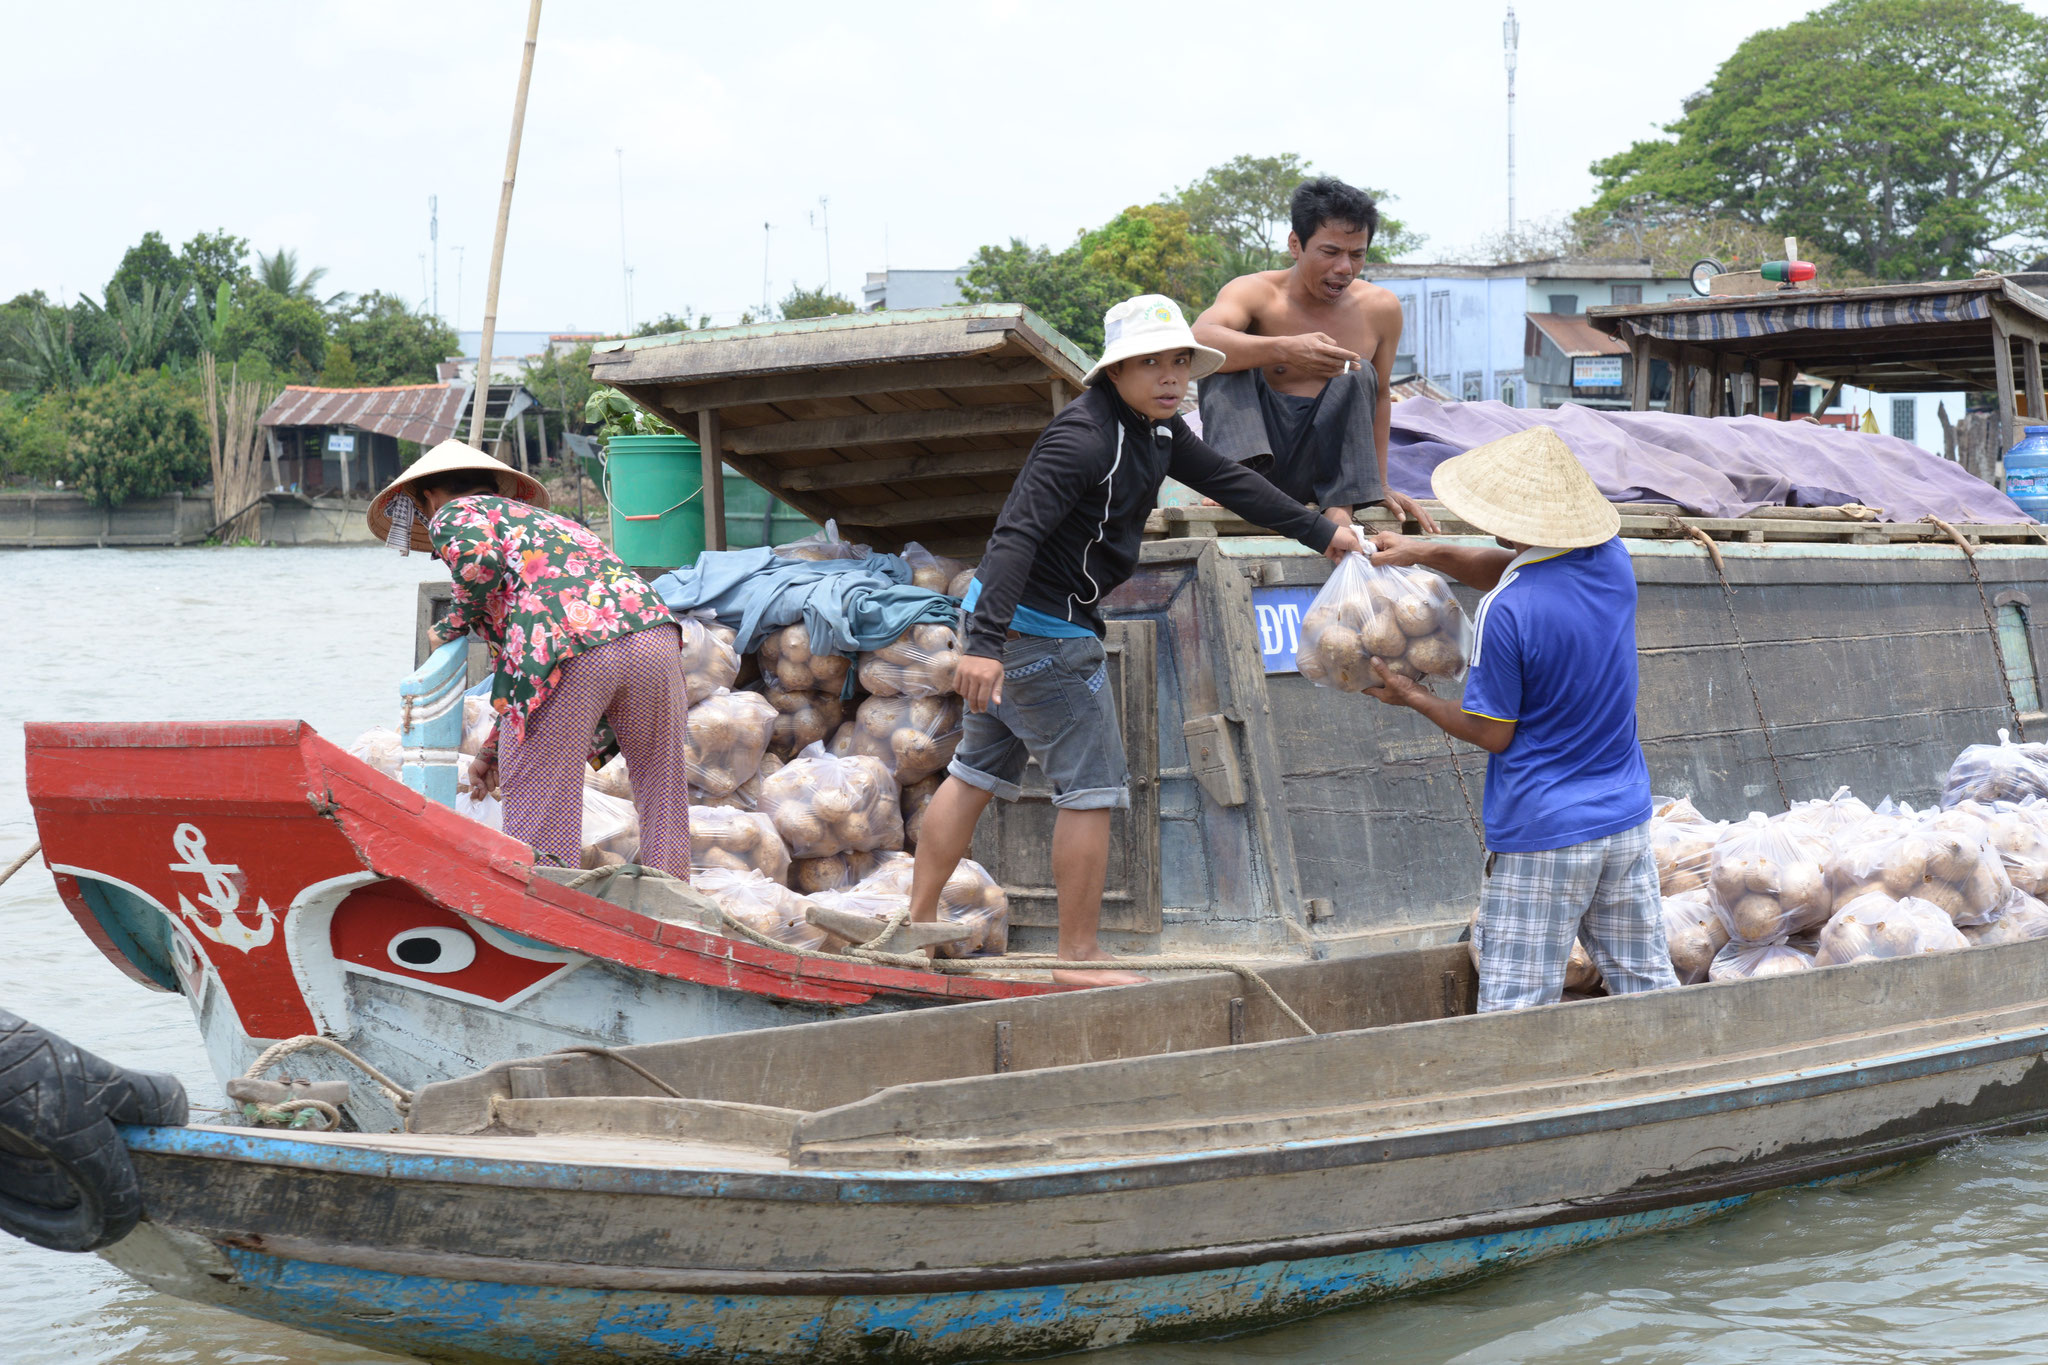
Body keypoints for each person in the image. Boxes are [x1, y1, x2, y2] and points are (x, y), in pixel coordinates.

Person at [907, 295, 1366, 985]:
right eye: (1149, 362)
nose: (1169, 375)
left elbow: (1230, 481)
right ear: (1115, 370)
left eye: (1180, 360)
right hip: (1039, 635)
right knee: (1091, 789)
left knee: (975, 773)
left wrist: (1322, 532)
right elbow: (1015, 533)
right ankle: (1078, 955)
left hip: (1013, 627)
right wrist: (986, 644)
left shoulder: (1156, 431)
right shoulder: (1085, 436)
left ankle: (915, 925)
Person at [1360, 425, 1678, 1011]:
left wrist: (1413, 697)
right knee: (1649, 989)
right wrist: (1423, 551)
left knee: (1517, 1004)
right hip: (1624, 818)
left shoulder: (1505, 612)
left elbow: (1492, 733)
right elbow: (1512, 566)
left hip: (1545, 833)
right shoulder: (1612, 561)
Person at [367, 439, 692, 878]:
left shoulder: (454, 512)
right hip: (651, 634)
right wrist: (494, 750)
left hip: (569, 651)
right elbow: (520, 668)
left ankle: (549, 913)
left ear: (426, 497)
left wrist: (451, 625)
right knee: (661, 785)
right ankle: (671, 907)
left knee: (542, 797)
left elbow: (479, 564)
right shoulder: (552, 523)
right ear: (496, 486)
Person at [1192, 176, 1439, 534]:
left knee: (1359, 371)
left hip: (1329, 476)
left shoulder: (1380, 307)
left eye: (1357, 255)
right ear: (1296, 244)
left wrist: (1381, 483)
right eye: (1331, 252)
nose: (1345, 268)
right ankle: (1236, 481)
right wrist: (1284, 349)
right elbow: (1199, 339)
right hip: (1258, 468)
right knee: (1222, 356)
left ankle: (1341, 505)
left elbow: (1382, 395)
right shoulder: (1255, 292)